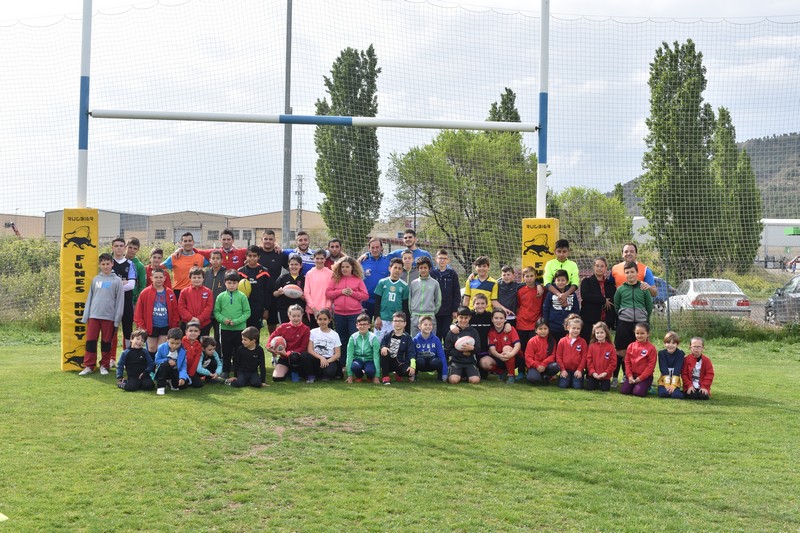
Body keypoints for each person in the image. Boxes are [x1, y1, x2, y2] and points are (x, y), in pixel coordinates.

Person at [79, 253, 125, 376]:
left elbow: (120, 301)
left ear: (112, 264)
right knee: (91, 342)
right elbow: (90, 298)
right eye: (103, 264)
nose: (105, 266)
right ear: (100, 265)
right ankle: (89, 365)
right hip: (94, 316)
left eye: (107, 264)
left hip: (109, 317)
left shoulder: (117, 281)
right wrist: (86, 316)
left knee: (106, 343)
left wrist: (117, 319)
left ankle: (104, 365)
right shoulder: (96, 279)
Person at [613, 262, 654, 387]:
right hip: (624, 323)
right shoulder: (620, 289)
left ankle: (628, 375)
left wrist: (644, 319)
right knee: (620, 351)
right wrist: (623, 314)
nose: (630, 274)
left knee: (634, 352)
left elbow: (649, 306)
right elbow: (617, 305)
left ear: (637, 273)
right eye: (627, 272)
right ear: (624, 274)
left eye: (632, 272)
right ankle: (614, 377)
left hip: (640, 323)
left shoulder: (643, 289)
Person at [133, 267, 180, 357]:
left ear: (165, 278)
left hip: (165, 325)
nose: (159, 280)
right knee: (151, 348)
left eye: (161, 277)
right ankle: (151, 368)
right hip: (151, 326)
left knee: (160, 348)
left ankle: (158, 369)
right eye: (156, 277)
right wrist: (141, 326)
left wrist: (174, 326)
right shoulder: (145, 292)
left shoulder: (169, 293)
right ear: (151, 278)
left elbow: (175, 311)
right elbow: (138, 311)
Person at [213, 270, 251, 378]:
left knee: (238, 351)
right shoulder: (221, 296)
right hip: (225, 329)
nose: (231, 285)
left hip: (240, 329)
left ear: (238, 283)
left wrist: (237, 321)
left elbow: (247, 312)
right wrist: (223, 319)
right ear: (225, 283)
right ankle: (225, 370)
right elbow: (216, 312)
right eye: (229, 283)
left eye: (234, 283)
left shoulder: (242, 296)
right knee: (226, 351)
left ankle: (238, 371)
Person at [326, 256, 369, 345]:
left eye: (347, 267)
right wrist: (340, 292)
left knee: (354, 339)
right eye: (342, 267)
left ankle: (353, 358)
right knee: (341, 339)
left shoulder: (358, 280)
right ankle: (342, 358)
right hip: (339, 314)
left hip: (354, 315)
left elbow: (365, 296)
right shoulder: (335, 279)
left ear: (352, 267)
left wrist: (353, 293)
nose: (344, 269)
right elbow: (328, 293)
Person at [110, 236, 138, 365]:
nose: (119, 248)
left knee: (127, 330)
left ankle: (127, 358)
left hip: (126, 301)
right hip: (110, 302)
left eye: (121, 246)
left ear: (124, 248)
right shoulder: (108, 262)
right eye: (116, 246)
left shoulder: (130, 264)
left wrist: (115, 284)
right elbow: (105, 284)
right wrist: (122, 282)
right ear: (112, 247)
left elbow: (131, 285)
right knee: (111, 330)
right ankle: (111, 359)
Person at [267, 304, 311, 383]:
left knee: (294, 356)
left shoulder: (306, 329)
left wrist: (287, 353)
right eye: (293, 316)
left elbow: (303, 347)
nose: (296, 318)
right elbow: (272, 337)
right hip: (284, 358)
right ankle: (288, 371)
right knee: (277, 378)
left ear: (302, 315)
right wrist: (269, 347)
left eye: (298, 316)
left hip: (297, 357)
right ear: (289, 316)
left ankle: (294, 372)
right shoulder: (283, 327)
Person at [257, 230, 289, 333]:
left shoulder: (280, 254)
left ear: (274, 241)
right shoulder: (256, 252)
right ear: (261, 240)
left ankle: (272, 341)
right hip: (258, 292)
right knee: (256, 322)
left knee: (272, 322)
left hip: (274, 293)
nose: (268, 241)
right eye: (265, 239)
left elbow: (292, 268)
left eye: (271, 239)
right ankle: (253, 346)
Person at [515, 266, 545, 375]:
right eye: (526, 276)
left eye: (531, 276)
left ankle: (532, 369)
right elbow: (518, 306)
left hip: (535, 324)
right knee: (521, 348)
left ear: (535, 277)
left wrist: (538, 285)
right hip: (521, 323)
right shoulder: (520, 290)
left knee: (533, 349)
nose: (529, 278)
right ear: (523, 278)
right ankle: (521, 371)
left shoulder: (541, 290)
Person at [162, 232, 209, 301]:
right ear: (181, 243)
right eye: (185, 241)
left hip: (196, 290)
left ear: (193, 242)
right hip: (178, 291)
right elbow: (159, 267)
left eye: (190, 241)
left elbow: (214, 263)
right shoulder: (175, 257)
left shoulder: (200, 257)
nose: (188, 243)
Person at [579, 257, 617, 342]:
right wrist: (603, 300)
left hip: (605, 322)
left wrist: (611, 322)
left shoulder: (610, 285)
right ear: (593, 267)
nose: (599, 268)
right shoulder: (587, 281)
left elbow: (612, 302)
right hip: (589, 321)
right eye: (597, 266)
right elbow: (586, 296)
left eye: (602, 266)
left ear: (606, 268)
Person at [372, 258, 410, 341]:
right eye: (395, 267)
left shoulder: (404, 286)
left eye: (399, 268)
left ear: (402, 270)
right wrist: (377, 317)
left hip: (396, 320)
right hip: (382, 319)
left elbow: (405, 306)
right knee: (377, 343)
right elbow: (377, 301)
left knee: (392, 344)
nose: (397, 270)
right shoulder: (382, 282)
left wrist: (403, 321)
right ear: (390, 268)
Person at [301, 308, 341, 383]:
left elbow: (338, 354)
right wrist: (321, 358)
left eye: (325, 319)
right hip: (316, 358)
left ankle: (325, 374)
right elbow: (310, 350)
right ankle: (311, 375)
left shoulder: (335, 334)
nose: (322, 321)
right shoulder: (313, 332)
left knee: (329, 373)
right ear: (316, 320)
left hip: (329, 359)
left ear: (329, 320)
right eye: (320, 319)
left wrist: (326, 361)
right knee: (304, 355)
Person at [237, 245, 271, 332]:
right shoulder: (240, 271)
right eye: (250, 256)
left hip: (258, 308)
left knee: (255, 332)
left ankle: (255, 346)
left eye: (254, 256)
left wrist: (266, 309)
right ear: (246, 256)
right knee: (243, 332)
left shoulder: (264, 272)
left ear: (259, 257)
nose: (252, 258)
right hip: (243, 308)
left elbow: (267, 292)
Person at [430, 248, 461, 341]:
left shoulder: (452, 274)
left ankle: (446, 355)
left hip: (448, 310)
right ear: (436, 259)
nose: (442, 260)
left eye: (444, 258)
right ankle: (437, 354)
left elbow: (456, 292)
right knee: (436, 333)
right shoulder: (432, 274)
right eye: (440, 258)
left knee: (446, 333)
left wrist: (455, 310)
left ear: (448, 260)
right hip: (435, 310)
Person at [444, 306, 481, 385]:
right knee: (453, 380)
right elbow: (447, 350)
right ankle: (458, 374)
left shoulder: (473, 331)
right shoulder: (452, 332)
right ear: (457, 317)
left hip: (470, 361)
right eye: (461, 317)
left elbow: (478, 348)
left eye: (466, 318)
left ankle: (467, 375)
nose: (463, 320)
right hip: (456, 361)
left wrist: (472, 349)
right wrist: (461, 353)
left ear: (469, 318)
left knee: (475, 380)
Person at [619, 322, 657, 398]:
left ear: (648, 334)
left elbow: (650, 366)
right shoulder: (631, 346)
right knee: (624, 391)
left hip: (644, 377)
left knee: (638, 393)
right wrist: (629, 376)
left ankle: (647, 386)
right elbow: (627, 362)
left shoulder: (651, 348)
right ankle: (636, 385)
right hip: (632, 375)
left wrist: (640, 378)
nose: (639, 336)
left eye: (642, 333)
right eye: (637, 333)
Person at [542, 269, 581, 341]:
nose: (560, 282)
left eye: (563, 280)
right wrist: (546, 323)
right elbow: (546, 309)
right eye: (558, 280)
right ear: (554, 281)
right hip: (553, 327)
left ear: (567, 281)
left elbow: (576, 309)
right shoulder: (550, 294)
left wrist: (575, 323)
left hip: (569, 328)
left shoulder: (572, 294)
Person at [379, 312, 417, 384]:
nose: (397, 323)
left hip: (400, 363)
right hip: (388, 362)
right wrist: (383, 347)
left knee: (409, 372)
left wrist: (412, 366)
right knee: (384, 352)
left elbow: (411, 352)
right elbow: (382, 344)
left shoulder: (408, 338)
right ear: (392, 322)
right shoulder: (388, 335)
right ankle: (385, 377)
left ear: (405, 323)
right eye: (395, 321)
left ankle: (399, 374)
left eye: (400, 321)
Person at [542, 239, 580, 311]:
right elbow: (547, 282)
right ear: (555, 252)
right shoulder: (550, 264)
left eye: (564, 251)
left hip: (569, 295)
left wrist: (566, 294)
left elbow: (575, 283)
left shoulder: (573, 264)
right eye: (559, 251)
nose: (561, 254)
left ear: (568, 252)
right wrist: (559, 294)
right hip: (552, 294)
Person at [408, 256, 442, 337]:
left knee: (430, 340)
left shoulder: (435, 283)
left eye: (425, 268)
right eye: (421, 268)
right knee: (415, 340)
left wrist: (432, 312)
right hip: (415, 316)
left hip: (429, 315)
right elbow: (410, 299)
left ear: (429, 269)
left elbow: (438, 300)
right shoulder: (413, 283)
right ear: (418, 269)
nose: (423, 270)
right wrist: (412, 312)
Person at [486, 309, 521, 383]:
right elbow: (492, 349)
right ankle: (501, 372)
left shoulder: (511, 329)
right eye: (496, 318)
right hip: (500, 357)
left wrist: (511, 354)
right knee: (485, 362)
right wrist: (499, 356)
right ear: (492, 319)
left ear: (505, 319)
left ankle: (511, 375)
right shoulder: (491, 332)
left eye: (501, 318)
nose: (498, 320)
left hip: (514, 357)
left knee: (507, 348)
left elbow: (517, 345)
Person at [345, 313, 381, 384]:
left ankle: (370, 377)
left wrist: (377, 376)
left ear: (369, 325)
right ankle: (359, 376)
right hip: (357, 359)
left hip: (369, 360)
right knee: (355, 367)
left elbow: (376, 356)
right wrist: (350, 375)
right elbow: (349, 355)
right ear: (357, 326)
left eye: (365, 324)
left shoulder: (373, 338)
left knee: (370, 371)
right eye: (360, 324)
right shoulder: (353, 337)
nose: (362, 326)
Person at [360, 237, 390, 319]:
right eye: (372, 247)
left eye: (377, 247)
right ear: (369, 248)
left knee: (379, 329)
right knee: (364, 327)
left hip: (382, 301)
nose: (375, 250)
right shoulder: (362, 261)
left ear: (381, 248)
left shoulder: (388, 262)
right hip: (365, 301)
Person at [178, 267, 214, 336]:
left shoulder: (208, 292)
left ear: (203, 278)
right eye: (194, 277)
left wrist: (199, 319)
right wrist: (191, 318)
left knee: (203, 345)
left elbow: (209, 308)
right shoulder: (184, 292)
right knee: (187, 344)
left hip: (204, 325)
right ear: (190, 278)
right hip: (187, 324)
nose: (197, 279)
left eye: (199, 277)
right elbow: (181, 308)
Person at [153, 327, 189, 395]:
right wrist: (167, 360)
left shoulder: (183, 351)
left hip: (175, 370)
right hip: (163, 371)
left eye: (177, 343)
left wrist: (182, 377)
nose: (174, 345)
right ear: (167, 339)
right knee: (165, 364)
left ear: (181, 341)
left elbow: (183, 366)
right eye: (172, 343)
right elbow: (157, 360)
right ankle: (161, 386)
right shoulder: (161, 347)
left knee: (183, 385)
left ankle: (171, 383)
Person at [555, 316, 587, 389]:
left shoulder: (583, 342)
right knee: (562, 386)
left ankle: (576, 379)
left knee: (577, 387)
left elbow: (584, 357)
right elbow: (558, 356)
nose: (576, 330)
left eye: (578, 328)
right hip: (565, 370)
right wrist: (562, 370)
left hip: (577, 370)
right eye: (573, 328)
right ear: (568, 328)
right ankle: (566, 379)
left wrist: (579, 370)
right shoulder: (562, 341)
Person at [412, 315, 448, 382]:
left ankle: (440, 377)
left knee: (437, 361)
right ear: (420, 326)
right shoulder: (415, 340)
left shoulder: (436, 339)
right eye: (425, 324)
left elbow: (442, 356)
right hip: (421, 363)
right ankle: (414, 376)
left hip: (432, 363)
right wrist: (411, 374)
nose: (428, 326)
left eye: (430, 325)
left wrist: (444, 373)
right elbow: (412, 356)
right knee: (419, 361)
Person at [303, 250, 333, 328]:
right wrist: (314, 309)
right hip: (312, 311)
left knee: (326, 334)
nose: (319, 261)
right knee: (314, 335)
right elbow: (306, 292)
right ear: (314, 259)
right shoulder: (309, 273)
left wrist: (326, 308)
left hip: (326, 311)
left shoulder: (330, 273)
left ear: (325, 259)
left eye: (322, 258)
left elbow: (331, 292)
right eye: (317, 258)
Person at [524, 318, 559, 385]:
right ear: (536, 330)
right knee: (533, 378)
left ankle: (547, 376)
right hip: (535, 366)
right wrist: (537, 365)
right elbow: (528, 357)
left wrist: (544, 364)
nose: (543, 331)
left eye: (545, 329)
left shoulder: (552, 341)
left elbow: (553, 355)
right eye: (540, 329)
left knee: (556, 366)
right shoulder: (532, 341)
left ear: (549, 330)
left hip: (546, 365)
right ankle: (541, 377)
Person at [273, 254, 305, 324]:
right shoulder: (282, 278)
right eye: (292, 264)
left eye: (296, 264)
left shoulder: (304, 279)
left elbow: (306, 296)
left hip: (298, 311)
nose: (294, 267)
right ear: (288, 265)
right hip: (284, 310)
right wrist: (279, 292)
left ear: (301, 265)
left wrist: (302, 297)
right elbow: (274, 293)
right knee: (285, 331)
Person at [585, 322, 616, 392]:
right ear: (594, 334)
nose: (599, 335)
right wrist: (593, 373)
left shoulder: (611, 347)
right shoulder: (591, 346)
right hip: (594, 375)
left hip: (605, 376)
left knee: (604, 389)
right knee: (589, 387)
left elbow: (613, 363)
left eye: (602, 332)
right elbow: (589, 361)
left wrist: (605, 373)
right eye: (597, 333)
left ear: (606, 334)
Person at [203, 250, 226, 341]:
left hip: (220, 311)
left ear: (222, 260)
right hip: (206, 310)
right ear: (210, 260)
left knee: (218, 337)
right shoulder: (205, 273)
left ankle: (218, 354)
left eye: (218, 258)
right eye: (213, 258)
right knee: (204, 336)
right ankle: (205, 354)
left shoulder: (226, 273)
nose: (215, 260)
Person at [657, 331, 685, 399]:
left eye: (673, 343)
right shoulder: (661, 353)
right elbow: (663, 369)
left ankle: (682, 392)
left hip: (675, 382)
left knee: (676, 395)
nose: (670, 345)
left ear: (677, 344)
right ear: (664, 343)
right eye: (668, 342)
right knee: (663, 394)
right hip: (663, 382)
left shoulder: (680, 354)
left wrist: (673, 385)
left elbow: (677, 370)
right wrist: (667, 385)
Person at [182, 321, 205, 388]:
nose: (193, 333)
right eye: (190, 331)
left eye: (195, 331)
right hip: (181, 370)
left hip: (191, 370)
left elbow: (196, 361)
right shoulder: (181, 342)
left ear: (199, 332)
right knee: (182, 385)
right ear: (186, 332)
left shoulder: (198, 345)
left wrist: (190, 374)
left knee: (198, 385)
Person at [126, 237, 147, 309]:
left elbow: (142, 286)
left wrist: (137, 299)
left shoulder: (140, 266)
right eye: (130, 247)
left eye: (135, 248)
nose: (132, 250)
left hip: (132, 299)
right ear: (126, 247)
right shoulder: (118, 261)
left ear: (138, 250)